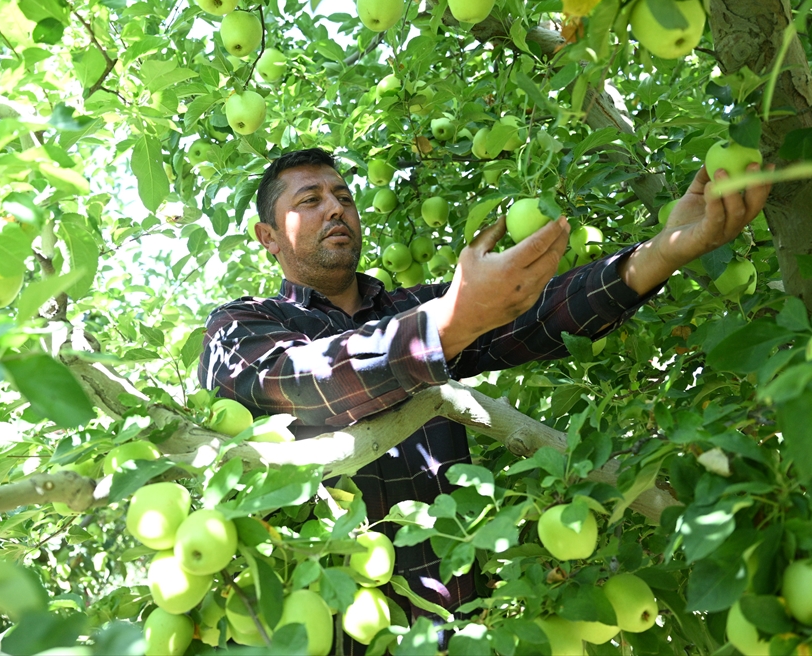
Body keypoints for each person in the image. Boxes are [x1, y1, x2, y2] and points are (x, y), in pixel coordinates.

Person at [197, 147, 769, 652]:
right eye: (310, 200)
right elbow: (297, 383)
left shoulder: (417, 310)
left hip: (460, 629)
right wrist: (444, 327)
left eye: (343, 195)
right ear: (267, 237)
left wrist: (666, 250)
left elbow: (538, 315)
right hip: (335, 634)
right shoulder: (243, 325)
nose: (335, 208)